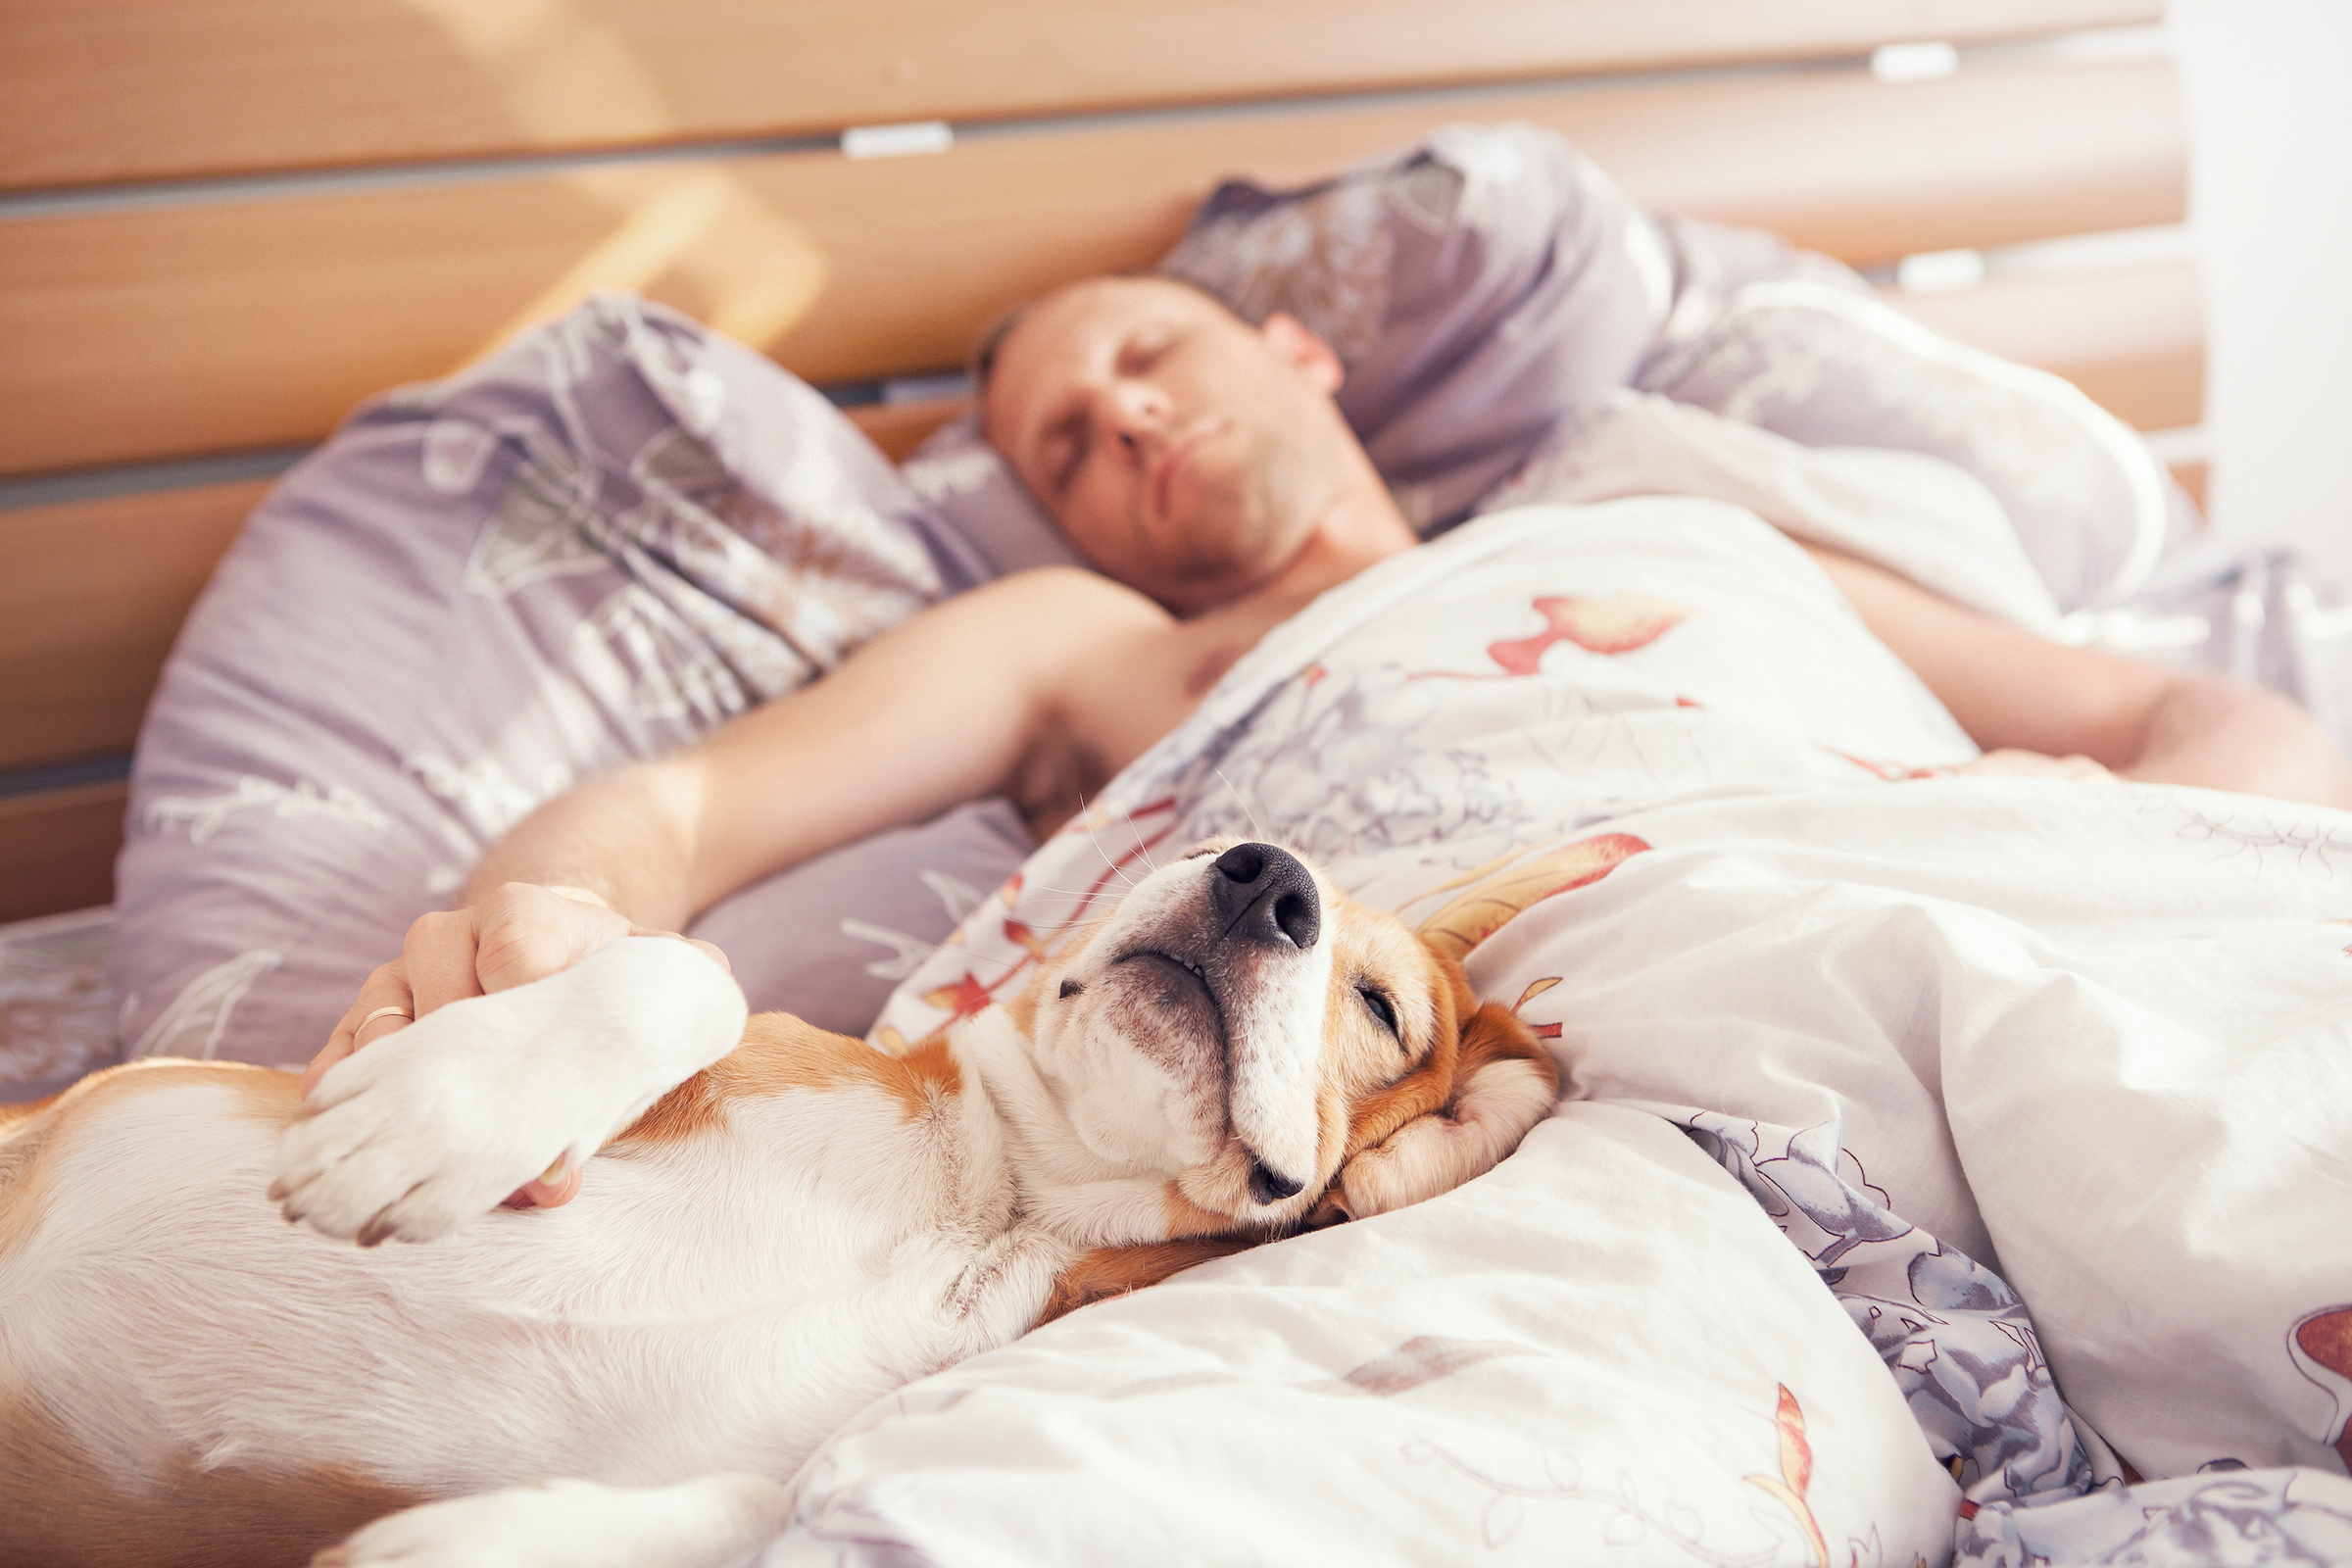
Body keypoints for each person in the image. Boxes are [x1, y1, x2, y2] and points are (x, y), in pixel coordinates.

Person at [303, 273, 2352, 1208]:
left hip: (1967, 877)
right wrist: (542, 937)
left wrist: (2145, 850)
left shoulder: (1679, 531)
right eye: (1064, 449)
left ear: (1295, 349)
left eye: (1150, 354)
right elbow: (685, 805)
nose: (1123, 426)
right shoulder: (1093, 649)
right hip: (1507, 1045)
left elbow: (2203, 711)